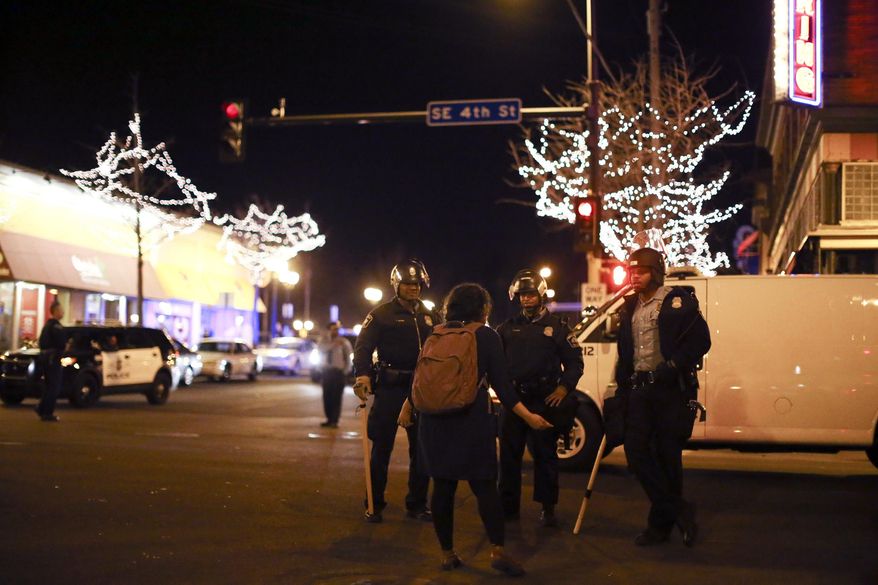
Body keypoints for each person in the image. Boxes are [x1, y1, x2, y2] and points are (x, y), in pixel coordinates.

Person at [400, 283, 552, 577]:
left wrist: (408, 406)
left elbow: (420, 378)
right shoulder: (486, 335)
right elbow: (503, 388)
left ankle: (447, 554)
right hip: (471, 420)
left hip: (434, 422)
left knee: (442, 487)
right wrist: (529, 417)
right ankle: (497, 549)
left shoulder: (437, 334)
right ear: (483, 308)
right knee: (484, 488)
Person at [615, 247, 711, 547]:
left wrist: (672, 366)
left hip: (669, 390)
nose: (635, 276)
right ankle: (679, 509)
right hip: (640, 390)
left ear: (655, 272)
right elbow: (625, 353)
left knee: (668, 458)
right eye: (632, 271)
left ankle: (660, 528)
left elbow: (701, 341)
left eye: (640, 271)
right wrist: (620, 388)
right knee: (636, 452)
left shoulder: (676, 302)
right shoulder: (629, 306)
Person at [352, 259, 440, 523]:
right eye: (407, 284)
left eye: (417, 284)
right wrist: (363, 375)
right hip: (390, 389)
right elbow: (363, 347)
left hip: (420, 389)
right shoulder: (380, 315)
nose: (413, 288)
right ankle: (374, 501)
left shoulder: (431, 315)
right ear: (396, 285)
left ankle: (416, 503)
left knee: (421, 449)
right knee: (381, 448)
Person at [497, 269, 584, 527]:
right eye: (522, 295)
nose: (526, 299)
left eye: (531, 294)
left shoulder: (558, 328)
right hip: (514, 400)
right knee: (509, 457)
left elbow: (575, 364)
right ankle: (508, 508)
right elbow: (497, 364)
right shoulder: (507, 328)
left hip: (545, 401)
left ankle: (548, 507)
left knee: (545, 456)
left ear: (541, 295)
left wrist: (563, 389)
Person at [36, 301, 67, 422]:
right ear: (56, 311)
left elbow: (41, 342)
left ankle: (41, 408)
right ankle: (47, 413)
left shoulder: (47, 325)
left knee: (48, 385)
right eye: (61, 310)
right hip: (53, 359)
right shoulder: (56, 326)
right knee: (54, 386)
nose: (63, 312)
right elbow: (61, 343)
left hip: (46, 359)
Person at [318, 321, 353, 428]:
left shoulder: (344, 342)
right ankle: (329, 419)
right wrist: (333, 344)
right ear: (329, 330)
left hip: (338, 372)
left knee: (336, 397)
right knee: (327, 396)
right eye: (333, 329)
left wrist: (345, 371)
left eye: (337, 329)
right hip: (327, 372)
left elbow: (348, 357)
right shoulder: (323, 341)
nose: (335, 331)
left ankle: (335, 420)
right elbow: (321, 350)